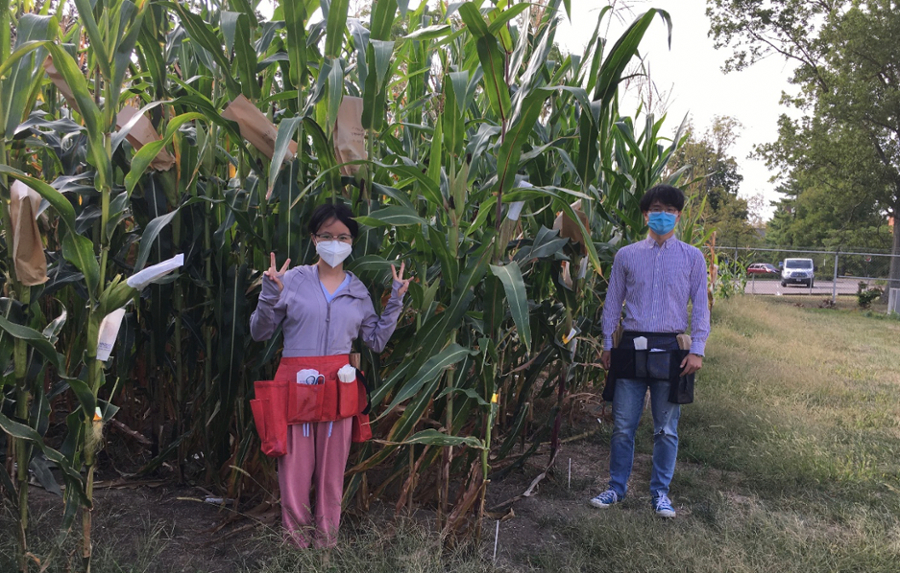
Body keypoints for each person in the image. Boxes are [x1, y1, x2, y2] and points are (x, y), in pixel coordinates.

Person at [249, 202, 410, 547]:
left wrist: (395, 301)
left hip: (340, 387)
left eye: (343, 236)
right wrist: (268, 293)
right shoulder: (290, 281)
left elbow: (376, 341)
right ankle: (297, 546)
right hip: (295, 384)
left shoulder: (359, 292)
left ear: (352, 243)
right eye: (326, 235)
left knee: (331, 473)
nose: (334, 242)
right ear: (313, 238)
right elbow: (260, 333)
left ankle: (325, 544)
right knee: (293, 470)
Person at [590, 184, 709, 518]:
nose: (663, 215)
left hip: (671, 348)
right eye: (657, 209)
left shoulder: (692, 257)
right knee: (623, 426)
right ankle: (616, 487)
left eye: (671, 210)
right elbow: (612, 303)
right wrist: (608, 344)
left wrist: (697, 349)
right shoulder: (627, 255)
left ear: (679, 216)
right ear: (645, 214)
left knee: (666, 429)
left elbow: (700, 307)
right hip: (631, 346)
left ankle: (660, 494)